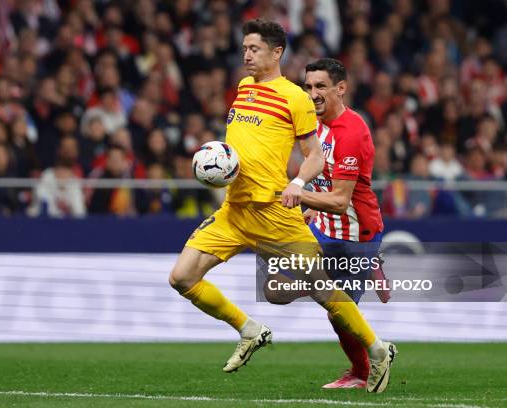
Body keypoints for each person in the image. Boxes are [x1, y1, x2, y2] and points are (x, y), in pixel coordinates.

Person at [168, 19, 395, 393]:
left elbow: (315, 156)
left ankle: (378, 350)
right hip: (234, 211)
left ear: (276, 53)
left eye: (254, 49)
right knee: (181, 277)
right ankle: (249, 330)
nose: (246, 55)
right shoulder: (243, 88)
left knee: (324, 292)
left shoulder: (296, 98)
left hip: (274, 213)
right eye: (244, 48)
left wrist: (298, 184)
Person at [296, 58, 392, 389]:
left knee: (339, 313)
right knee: (286, 281)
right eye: (308, 87)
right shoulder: (314, 123)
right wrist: (312, 205)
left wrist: (297, 194)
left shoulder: (351, 133)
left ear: (341, 88)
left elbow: (340, 201)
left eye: (320, 86)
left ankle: (363, 372)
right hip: (325, 225)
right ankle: (360, 370)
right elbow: (323, 182)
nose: (312, 94)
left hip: (356, 233)